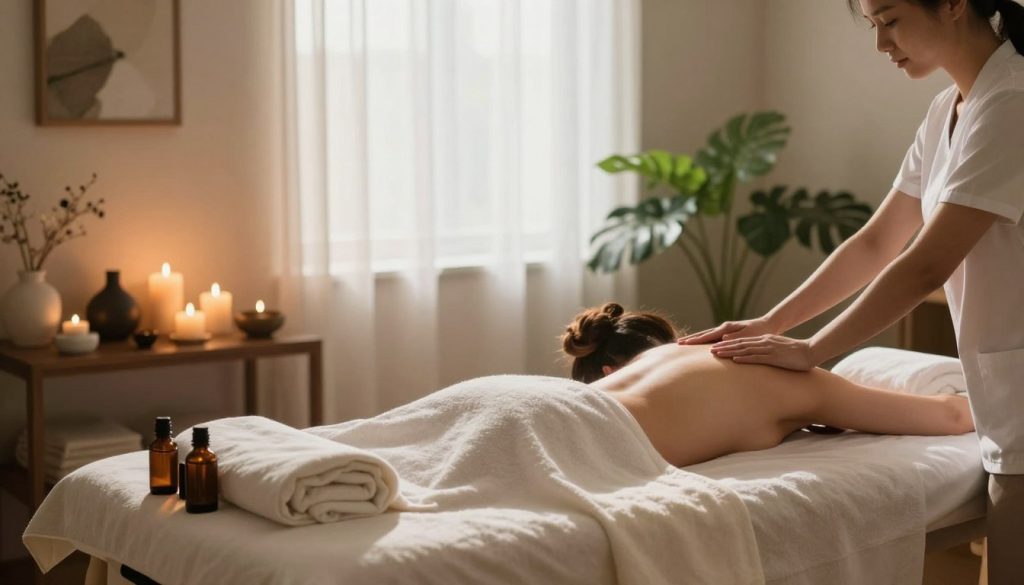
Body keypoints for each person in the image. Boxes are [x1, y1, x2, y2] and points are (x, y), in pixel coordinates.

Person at [678, 1, 1024, 581]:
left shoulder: (1011, 103)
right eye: (872, 26)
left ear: (956, 5)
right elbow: (876, 243)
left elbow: (924, 267)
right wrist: (770, 324)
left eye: (890, 20)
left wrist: (814, 351)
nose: (881, 44)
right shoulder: (948, 110)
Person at [561, 302, 973, 468]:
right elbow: (953, 414)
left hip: (539, 408)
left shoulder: (667, 355)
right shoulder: (802, 385)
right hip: (581, 438)